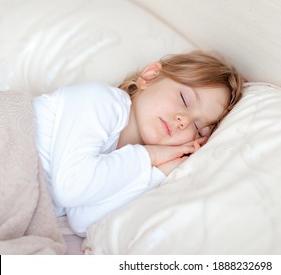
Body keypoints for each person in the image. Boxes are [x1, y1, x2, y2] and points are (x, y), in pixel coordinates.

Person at [32, 51, 245, 236]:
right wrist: (148, 156)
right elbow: (71, 188)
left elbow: (81, 221)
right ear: (150, 76)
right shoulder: (101, 101)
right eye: (185, 99)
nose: (184, 120)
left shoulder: (129, 164)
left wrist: (159, 172)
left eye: (198, 128)